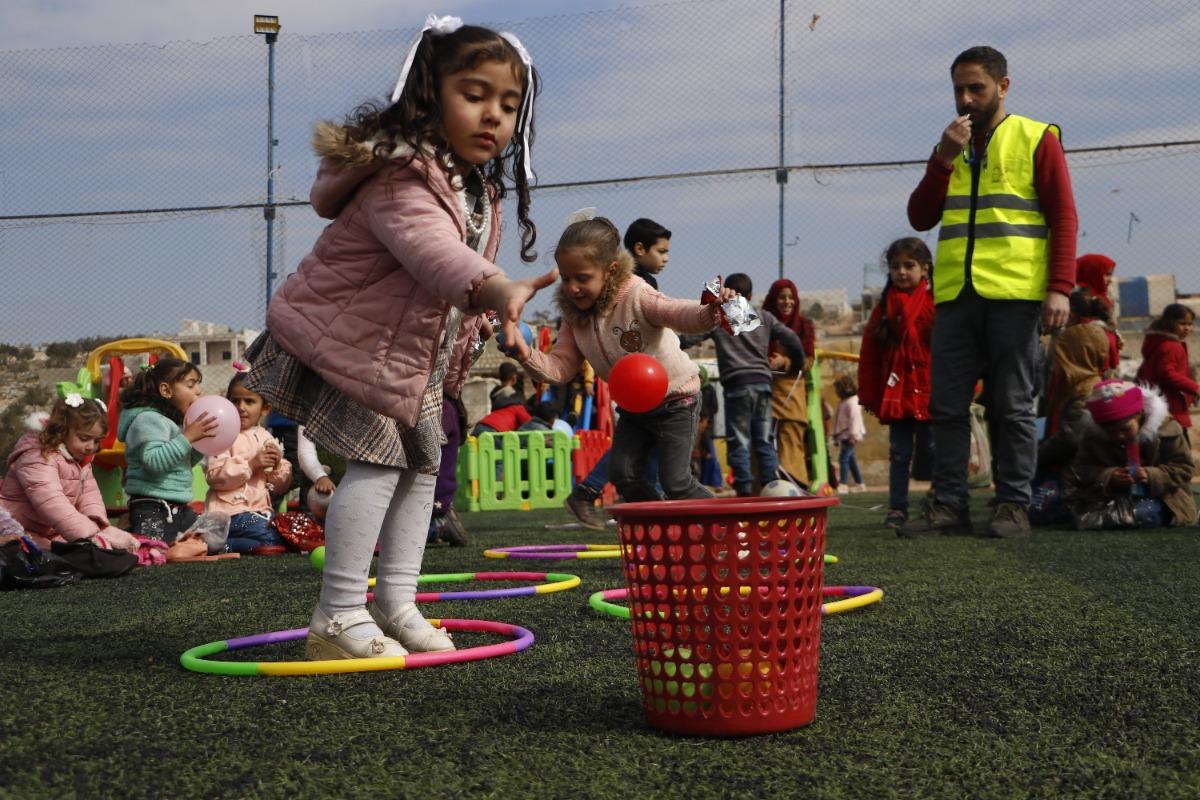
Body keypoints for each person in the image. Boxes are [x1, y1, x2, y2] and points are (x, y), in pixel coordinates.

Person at [243, 17, 553, 661]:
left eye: (508, 103)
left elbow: (448, 291)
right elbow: (433, 254)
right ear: (427, 94)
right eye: (474, 94)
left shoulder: (475, 187)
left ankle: (396, 602)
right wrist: (495, 287)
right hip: (353, 345)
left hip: (407, 359)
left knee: (422, 468)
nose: (493, 115)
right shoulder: (404, 174)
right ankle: (336, 616)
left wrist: (501, 325)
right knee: (381, 464)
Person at [902, 45, 1078, 539]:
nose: (964, 99)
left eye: (975, 87)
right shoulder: (950, 147)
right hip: (957, 297)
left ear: (1003, 86)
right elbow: (920, 217)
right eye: (958, 89)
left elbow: (1063, 216)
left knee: (1014, 407)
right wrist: (942, 159)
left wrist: (1059, 288)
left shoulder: (1036, 138)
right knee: (948, 407)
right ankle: (949, 506)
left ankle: (1012, 507)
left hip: (1016, 298)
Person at [514, 215, 735, 503]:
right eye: (566, 278)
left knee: (676, 481)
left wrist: (712, 311)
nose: (572, 288)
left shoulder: (636, 294)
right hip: (635, 408)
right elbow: (561, 367)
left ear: (611, 270)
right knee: (623, 475)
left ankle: (726, 528)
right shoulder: (573, 316)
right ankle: (658, 529)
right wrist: (524, 353)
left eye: (582, 278)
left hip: (676, 399)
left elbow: (678, 312)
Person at [680, 273, 807, 496]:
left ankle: (745, 491)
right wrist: (797, 361)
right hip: (763, 385)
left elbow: (690, 339)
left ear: (727, 293)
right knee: (765, 440)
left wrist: (672, 344)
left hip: (736, 386)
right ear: (750, 295)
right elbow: (792, 339)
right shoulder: (764, 317)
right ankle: (770, 487)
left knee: (739, 439)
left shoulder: (720, 318)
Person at [858, 237, 936, 528]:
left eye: (909, 265)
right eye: (895, 266)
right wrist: (870, 393)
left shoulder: (935, 304)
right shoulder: (883, 311)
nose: (902, 272)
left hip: (931, 390)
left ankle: (938, 502)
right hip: (898, 393)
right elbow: (869, 355)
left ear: (925, 269)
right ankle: (898, 507)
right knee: (900, 453)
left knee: (934, 450)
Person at [0, 395, 138, 553]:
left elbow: (89, 495)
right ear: (62, 430)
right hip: (15, 527)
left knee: (98, 551)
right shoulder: (37, 456)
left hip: (49, 529)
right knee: (44, 554)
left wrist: (99, 527)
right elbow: (52, 503)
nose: (91, 447)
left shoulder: (79, 458)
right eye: (84, 438)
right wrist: (88, 535)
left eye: (96, 440)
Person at [1062, 380, 1197, 529]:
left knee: (1144, 514)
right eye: (1110, 432)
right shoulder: (1093, 438)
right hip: (1110, 497)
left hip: (1165, 499)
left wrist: (1151, 475)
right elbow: (1082, 469)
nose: (1119, 436)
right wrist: (1109, 476)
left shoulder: (1167, 430)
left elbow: (1184, 468)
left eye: (1125, 429)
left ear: (1139, 413)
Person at [118, 357, 218, 543]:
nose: (198, 391)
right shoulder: (147, 419)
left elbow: (184, 461)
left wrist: (200, 443)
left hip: (180, 509)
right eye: (190, 385)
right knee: (154, 548)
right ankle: (132, 527)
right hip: (151, 507)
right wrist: (187, 437)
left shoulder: (172, 422)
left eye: (197, 385)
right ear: (166, 390)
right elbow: (154, 462)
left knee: (213, 542)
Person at [204, 373, 293, 554]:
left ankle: (223, 543)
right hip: (230, 515)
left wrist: (277, 467)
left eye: (249, 402)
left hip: (259, 513)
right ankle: (221, 544)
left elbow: (280, 488)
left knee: (289, 532)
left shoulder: (266, 437)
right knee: (274, 537)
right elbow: (215, 477)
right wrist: (251, 465)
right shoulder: (222, 435)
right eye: (235, 401)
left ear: (265, 408)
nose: (241, 407)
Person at [762, 279, 815, 487]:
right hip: (764, 394)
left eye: (791, 297)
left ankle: (795, 495)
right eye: (782, 297)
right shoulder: (761, 323)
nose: (787, 301)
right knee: (763, 449)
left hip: (792, 397)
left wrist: (785, 362)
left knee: (791, 446)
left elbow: (809, 361)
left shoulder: (804, 325)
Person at [1135, 304, 1197, 442]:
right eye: (1182, 323)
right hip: (1169, 404)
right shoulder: (1170, 346)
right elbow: (1167, 374)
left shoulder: (1159, 343)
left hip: (1159, 402)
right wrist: (1195, 388)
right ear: (1169, 323)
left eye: (1190, 324)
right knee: (1177, 445)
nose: (1187, 328)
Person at [831, 375, 867, 493]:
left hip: (850, 435)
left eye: (838, 390)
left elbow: (854, 419)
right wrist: (836, 436)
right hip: (844, 435)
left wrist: (853, 435)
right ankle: (860, 484)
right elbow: (839, 420)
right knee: (851, 460)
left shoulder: (852, 402)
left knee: (843, 459)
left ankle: (843, 484)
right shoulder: (844, 402)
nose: (836, 392)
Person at [623, 217, 671, 290]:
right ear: (640, 249)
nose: (666, 259)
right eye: (661, 251)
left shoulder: (611, 275)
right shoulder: (645, 283)